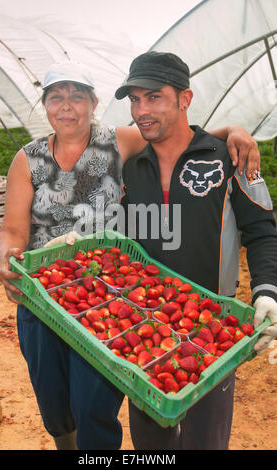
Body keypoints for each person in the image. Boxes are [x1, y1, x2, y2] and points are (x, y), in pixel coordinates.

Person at [0, 60, 263, 451]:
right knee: (52, 399)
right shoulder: (27, 159)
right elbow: (12, 230)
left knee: (95, 405)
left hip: (105, 293)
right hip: (41, 293)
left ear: (94, 103)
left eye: (76, 97)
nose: (66, 106)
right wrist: (8, 256)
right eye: (56, 97)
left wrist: (234, 132)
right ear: (46, 105)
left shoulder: (118, 141)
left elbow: (182, 136)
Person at [115, 51, 277, 450]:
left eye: (153, 97)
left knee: (205, 438)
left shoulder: (231, 157)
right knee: (151, 439)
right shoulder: (131, 168)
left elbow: (261, 231)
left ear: (185, 99)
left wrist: (267, 290)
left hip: (213, 328)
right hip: (144, 327)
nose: (141, 111)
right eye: (134, 100)